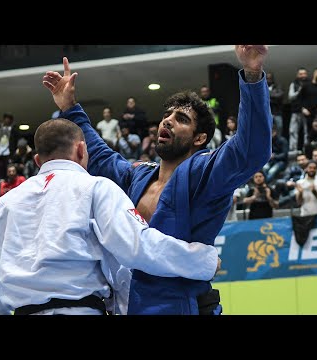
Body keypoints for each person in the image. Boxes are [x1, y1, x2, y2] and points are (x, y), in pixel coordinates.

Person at [42, 45, 272, 315]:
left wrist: (253, 72)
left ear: (199, 139)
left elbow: (251, 149)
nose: (168, 121)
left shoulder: (205, 173)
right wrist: (69, 107)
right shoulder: (138, 175)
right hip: (131, 304)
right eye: (167, 115)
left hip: (183, 305)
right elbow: (101, 157)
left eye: (181, 119)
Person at [0, 119, 220, 315]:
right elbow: (137, 247)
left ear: (37, 160)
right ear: (81, 149)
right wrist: (202, 261)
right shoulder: (96, 188)